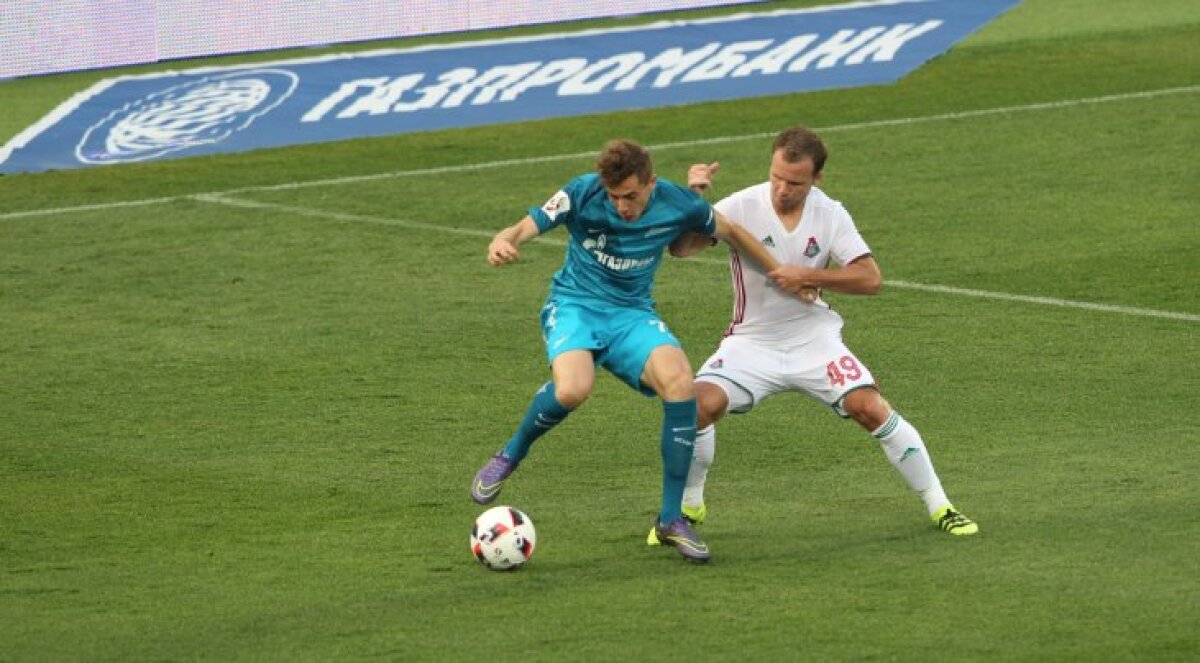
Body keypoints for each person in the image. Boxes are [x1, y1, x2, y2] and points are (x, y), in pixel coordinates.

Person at [651, 126, 978, 545]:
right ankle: (689, 507)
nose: (782, 189)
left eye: (795, 183)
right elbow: (681, 250)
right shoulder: (741, 206)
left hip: (814, 341)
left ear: (816, 179)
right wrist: (694, 200)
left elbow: (869, 278)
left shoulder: (830, 214)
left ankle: (941, 505)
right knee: (694, 407)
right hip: (751, 343)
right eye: (777, 177)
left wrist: (807, 274)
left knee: (869, 407)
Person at [470, 139, 788, 563]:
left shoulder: (676, 201)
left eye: (631, 196)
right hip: (575, 307)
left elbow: (730, 232)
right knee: (573, 390)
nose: (621, 205)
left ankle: (671, 519)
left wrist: (781, 272)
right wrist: (502, 241)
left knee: (680, 384)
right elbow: (525, 225)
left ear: (651, 183)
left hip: (631, 315)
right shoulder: (583, 191)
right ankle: (510, 454)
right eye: (614, 196)